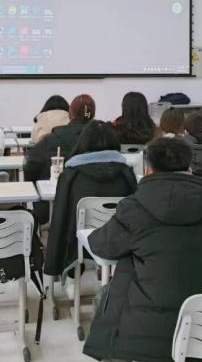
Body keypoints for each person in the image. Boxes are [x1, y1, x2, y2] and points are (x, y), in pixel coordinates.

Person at [82, 137, 202, 362]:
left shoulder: (135, 206)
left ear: (148, 169)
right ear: (190, 167)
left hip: (151, 345)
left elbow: (102, 246)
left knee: (106, 297)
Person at [44, 120, 138, 281]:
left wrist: (54, 261)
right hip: (118, 242)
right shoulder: (126, 174)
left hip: (78, 244)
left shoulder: (70, 175)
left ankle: (72, 281)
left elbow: (60, 219)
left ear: (83, 142)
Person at [24, 94, 96, 183]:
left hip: (54, 183)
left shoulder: (50, 138)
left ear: (70, 114)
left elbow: (31, 163)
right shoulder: (102, 138)